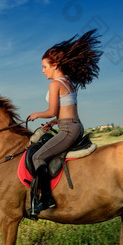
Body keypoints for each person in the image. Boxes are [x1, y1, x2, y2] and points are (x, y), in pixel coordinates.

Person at [28, 29, 102, 214]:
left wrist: (38, 114)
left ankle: (45, 200)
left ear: (54, 65)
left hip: (68, 129)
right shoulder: (68, 81)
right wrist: (53, 122)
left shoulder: (54, 84)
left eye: (45, 67)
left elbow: (52, 110)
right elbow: (65, 109)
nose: (43, 71)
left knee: (37, 156)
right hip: (74, 125)